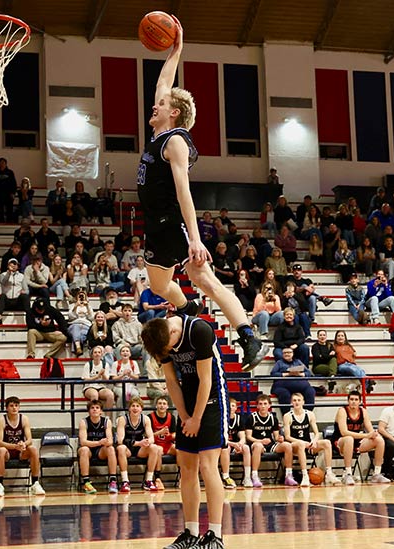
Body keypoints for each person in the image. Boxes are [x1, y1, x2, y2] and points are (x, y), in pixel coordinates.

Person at [136, 20, 266, 373]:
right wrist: (176, 50)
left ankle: (248, 335)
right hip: (155, 227)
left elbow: (184, 191)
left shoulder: (175, 141)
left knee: (204, 279)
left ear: (173, 112)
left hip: (172, 224)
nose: (154, 105)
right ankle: (188, 311)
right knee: (161, 286)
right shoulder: (160, 131)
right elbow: (164, 82)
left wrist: (195, 238)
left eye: (160, 104)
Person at [141, 310, 230, 549]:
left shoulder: (199, 331)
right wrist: (184, 416)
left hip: (212, 399)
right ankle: (191, 532)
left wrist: (198, 418)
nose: (167, 354)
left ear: (173, 332)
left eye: (169, 349)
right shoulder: (158, 338)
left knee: (208, 466)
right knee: (186, 466)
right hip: (188, 401)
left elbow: (206, 380)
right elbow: (171, 381)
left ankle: (216, 535)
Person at [329, 391, 390, 485]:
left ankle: (376, 474)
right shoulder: (342, 411)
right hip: (340, 441)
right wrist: (366, 436)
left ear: (360, 402)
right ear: (348, 401)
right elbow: (344, 432)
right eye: (351, 399)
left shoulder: (363, 412)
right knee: (349, 438)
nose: (353, 401)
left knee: (379, 440)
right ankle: (348, 473)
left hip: (356, 441)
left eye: (356, 399)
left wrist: (374, 434)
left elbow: (370, 430)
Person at [0, 396, 45, 497]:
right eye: (11, 406)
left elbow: (30, 440)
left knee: (33, 449)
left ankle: (35, 483)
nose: (14, 408)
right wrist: (14, 446)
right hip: (7, 451)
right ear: (6, 408)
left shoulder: (24, 419)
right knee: (1, 450)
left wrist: (24, 444)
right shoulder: (2, 420)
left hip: (21, 451)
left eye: (16, 406)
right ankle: (0, 484)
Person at [283, 392, 338, 484]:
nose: (296, 402)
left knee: (327, 443)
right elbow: (287, 437)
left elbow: (316, 433)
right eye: (294, 400)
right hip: (294, 446)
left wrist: (314, 440)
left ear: (303, 402)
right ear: (291, 402)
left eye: (299, 400)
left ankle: (329, 473)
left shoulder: (310, 414)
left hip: (308, 445)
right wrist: (302, 442)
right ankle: (305, 476)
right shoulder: (287, 416)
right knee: (300, 444)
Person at [245, 395, 297, 487]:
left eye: (265, 404)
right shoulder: (251, 418)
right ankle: (254, 476)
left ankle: (288, 475)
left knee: (287, 445)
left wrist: (280, 438)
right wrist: (260, 441)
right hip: (256, 443)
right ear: (257, 406)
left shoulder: (273, 418)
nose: (263, 406)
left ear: (269, 405)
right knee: (258, 446)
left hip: (270, 444)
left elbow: (276, 436)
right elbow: (248, 437)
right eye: (260, 404)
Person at [115, 397, 163, 493]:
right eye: (133, 406)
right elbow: (120, 440)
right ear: (129, 408)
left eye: (138, 406)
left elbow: (152, 438)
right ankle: (125, 481)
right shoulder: (122, 419)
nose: (135, 408)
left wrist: (147, 442)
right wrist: (138, 443)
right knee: (120, 448)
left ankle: (148, 480)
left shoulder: (145, 419)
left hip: (140, 449)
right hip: (127, 449)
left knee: (154, 447)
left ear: (141, 409)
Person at [77, 398, 118, 494]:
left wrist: (105, 443)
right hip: (89, 450)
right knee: (84, 450)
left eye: (97, 407)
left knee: (111, 449)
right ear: (89, 411)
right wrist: (99, 442)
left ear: (101, 411)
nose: (95, 409)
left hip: (101, 451)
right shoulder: (84, 422)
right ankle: (86, 483)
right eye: (92, 408)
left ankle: (112, 481)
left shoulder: (106, 421)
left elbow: (110, 441)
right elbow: (83, 442)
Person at [219, 397, 252, 488]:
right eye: (229, 406)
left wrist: (240, 443)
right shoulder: (221, 419)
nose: (231, 408)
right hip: (225, 444)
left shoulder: (239, 418)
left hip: (235, 444)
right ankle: (226, 476)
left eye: (233, 406)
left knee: (246, 447)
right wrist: (233, 444)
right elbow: (220, 437)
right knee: (226, 448)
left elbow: (242, 435)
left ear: (236, 408)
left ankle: (247, 477)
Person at [270, 346, 316, 411]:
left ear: (292, 354)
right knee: (284, 394)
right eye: (285, 353)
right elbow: (273, 374)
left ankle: (307, 414)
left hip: (301, 385)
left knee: (311, 391)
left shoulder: (298, 362)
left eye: (289, 352)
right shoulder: (279, 363)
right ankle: (286, 416)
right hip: (283, 386)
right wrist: (287, 374)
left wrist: (300, 374)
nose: (287, 354)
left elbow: (308, 373)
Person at [149, 395, 176, 488]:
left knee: (179, 449)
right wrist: (160, 432)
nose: (162, 406)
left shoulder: (171, 417)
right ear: (156, 405)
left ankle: (182, 477)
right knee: (158, 450)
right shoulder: (150, 417)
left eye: (164, 404)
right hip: (156, 445)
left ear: (167, 406)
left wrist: (171, 435)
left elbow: (174, 434)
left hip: (167, 444)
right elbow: (147, 435)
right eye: (159, 403)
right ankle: (157, 477)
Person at [0, 258, 30, 324]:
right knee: (2, 296)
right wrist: (9, 273)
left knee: (25, 296)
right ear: (8, 265)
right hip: (7, 302)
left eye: (15, 264)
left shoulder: (21, 276)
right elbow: (3, 282)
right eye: (12, 264)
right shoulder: (2, 275)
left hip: (17, 302)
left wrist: (24, 292)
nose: (14, 266)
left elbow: (27, 290)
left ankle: (29, 317)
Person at [0, 157, 17, 223]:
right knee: (0, 209)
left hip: (9, 194)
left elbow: (14, 183)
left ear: (6, 163)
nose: (2, 164)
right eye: (1, 163)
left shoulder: (10, 173)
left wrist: (13, 193)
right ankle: (1, 222)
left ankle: (9, 221)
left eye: (3, 163)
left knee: (9, 209)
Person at [67, 290, 94, 356]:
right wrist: (75, 306)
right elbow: (71, 317)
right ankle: (78, 348)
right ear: (77, 297)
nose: (81, 297)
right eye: (80, 296)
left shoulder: (89, 307)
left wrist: (87, 307)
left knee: (81, 334)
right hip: (74, 325)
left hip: (86, 325)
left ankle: (77, 348)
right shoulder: (72, 306)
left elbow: (91, 318)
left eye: (83, 296)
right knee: (76, 328)